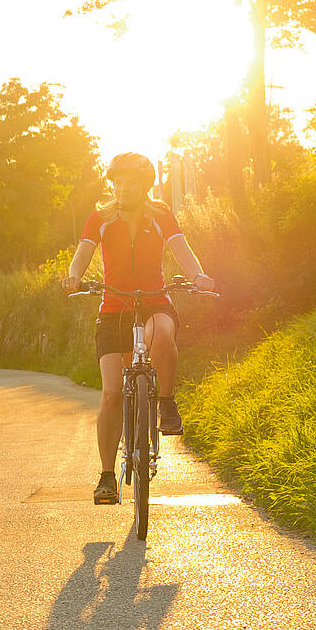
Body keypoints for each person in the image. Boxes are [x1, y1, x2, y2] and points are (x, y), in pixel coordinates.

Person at [61, 153, 218, 505]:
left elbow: (182, 249)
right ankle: (106, 475)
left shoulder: (161, 215)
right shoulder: (100, 218)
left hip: (154, 300)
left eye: (131, 181)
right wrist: (74, 275)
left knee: (163, 331)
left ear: (145, 185)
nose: (123, 187)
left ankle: (166, 402)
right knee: (112, 393)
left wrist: (199, 277)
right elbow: (83, 253)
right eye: (117, 181)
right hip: (113, 308)